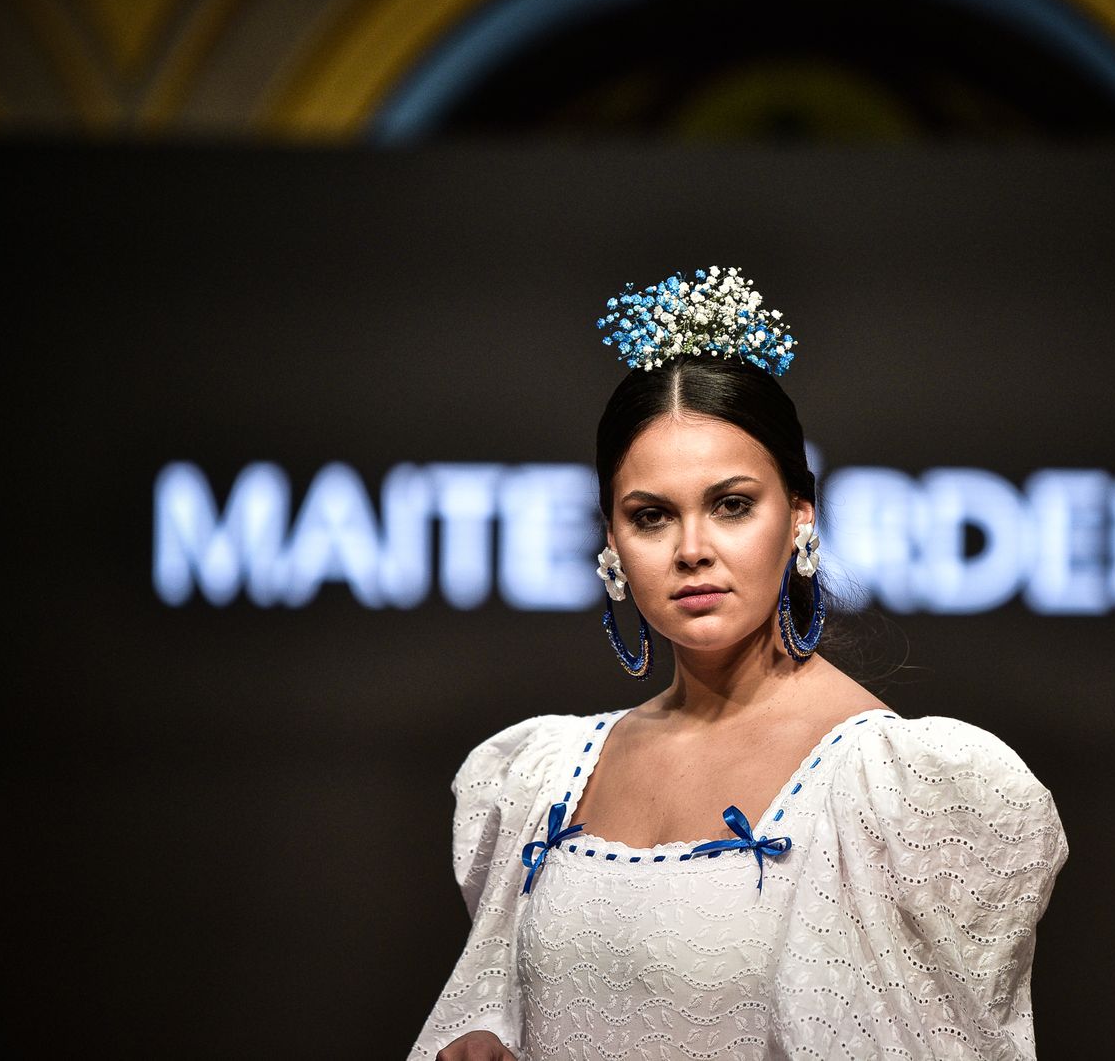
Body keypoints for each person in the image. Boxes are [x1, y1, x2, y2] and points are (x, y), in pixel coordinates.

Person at [408, 267, 1067, 1060]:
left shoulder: (901, 791)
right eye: (651, 516)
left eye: (731, 504)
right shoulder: (541, 777)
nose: (692, 550)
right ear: (612, 544)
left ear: (799, 517)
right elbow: (481, 1019)